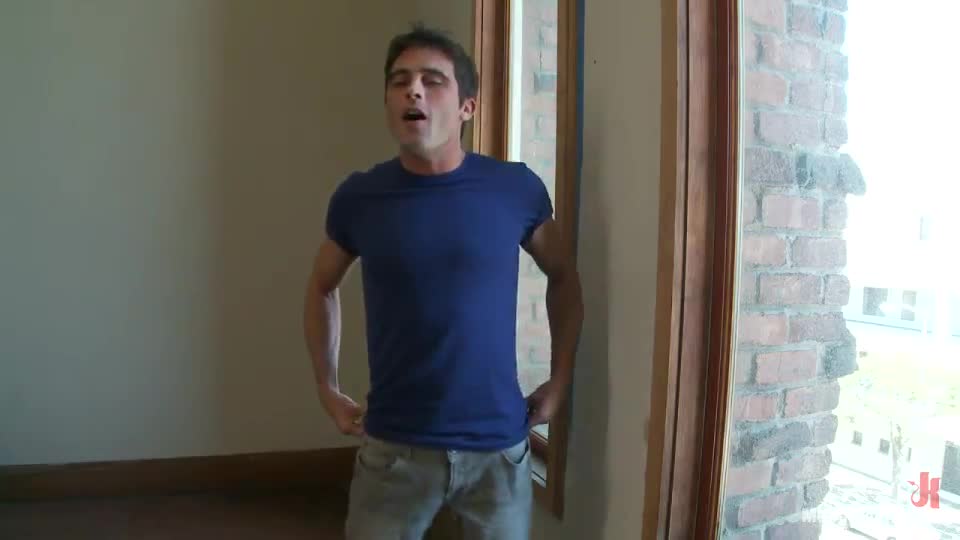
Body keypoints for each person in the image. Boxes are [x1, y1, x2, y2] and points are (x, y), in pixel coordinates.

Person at [303, 24, 583, 540]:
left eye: (432, 81)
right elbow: (321, 287)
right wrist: (328, 388)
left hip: (497, 450)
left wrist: (560, 379)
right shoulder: (360, 198)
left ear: (466, 108)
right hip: (394, 449)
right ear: (388, 104)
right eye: (399, 81)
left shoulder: (515, 189)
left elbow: (563, 277)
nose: (413, 90)